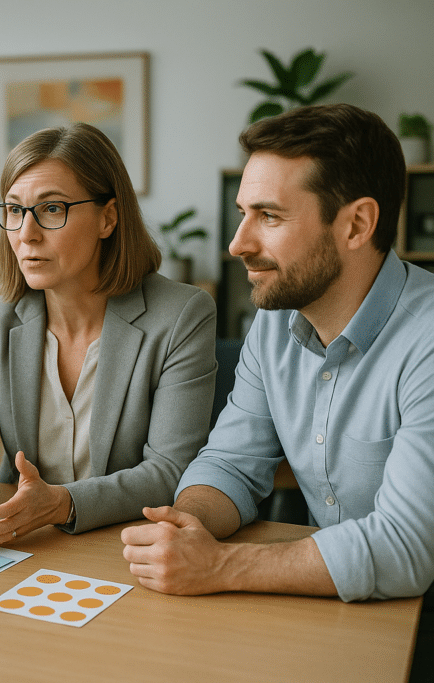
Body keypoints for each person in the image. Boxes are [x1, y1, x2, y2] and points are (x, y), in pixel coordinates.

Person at [121, 104, 434, 609]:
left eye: (268, 216)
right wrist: (188, 524)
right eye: (243, 213)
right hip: (338, 609)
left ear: (356, 225)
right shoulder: (274, 324)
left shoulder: (428, 341)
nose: (237, 243)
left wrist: (219, 565)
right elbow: (231, 463)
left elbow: (404, 549)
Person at [0, 123, 217, 546]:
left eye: (52, 208)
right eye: (15, 210)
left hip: (125, 542)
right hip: (18, 536)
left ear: (108, 218)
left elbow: (170, 470)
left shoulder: (181, 315)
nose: (26, 234)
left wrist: (63, 503)